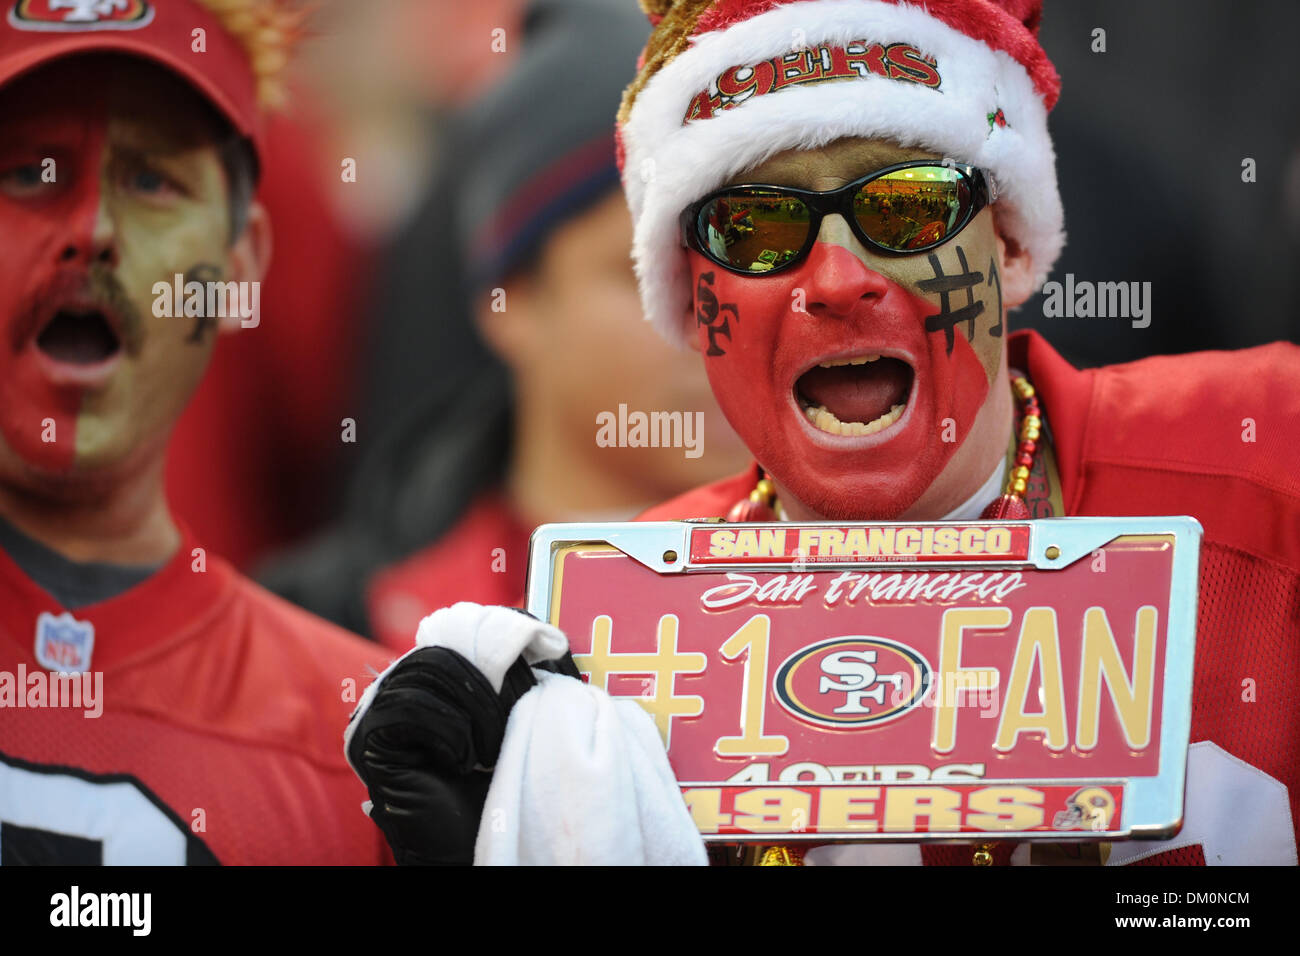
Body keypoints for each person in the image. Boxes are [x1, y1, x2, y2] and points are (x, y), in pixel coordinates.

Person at [345, 0, 1298, 866]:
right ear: (687, 299)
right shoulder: (605, 646)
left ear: (1007, 243)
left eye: (908, 206)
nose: (837, 280)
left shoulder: (1269, 453)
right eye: (757, 226)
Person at [0, 0, 391, 865]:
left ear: (242, 264)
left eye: (151, 182)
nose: (92, 231)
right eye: (27, 172)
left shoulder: (366, 742)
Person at [260, 0, 748, 649]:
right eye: (649, 272)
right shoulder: (321, 626)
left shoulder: (882, 599)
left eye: (751, 260)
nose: (715, 325)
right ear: (509, 302)